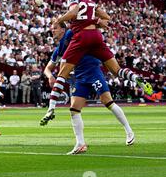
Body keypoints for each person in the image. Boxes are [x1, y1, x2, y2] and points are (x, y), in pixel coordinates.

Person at [43, 0, 152, 124]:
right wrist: (96, 22)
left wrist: (59, 19)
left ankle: (51, 108)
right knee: (116, 70)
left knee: (63, 73)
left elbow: (74, 12)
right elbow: (106, 18)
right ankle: (136, 79)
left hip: (82, 38)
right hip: (96, 36)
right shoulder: (89, 1)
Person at [43, 22, 135, 154]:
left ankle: (129, 131)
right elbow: (48, 68)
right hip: (79, 76)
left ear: (63, 29)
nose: (52, 31)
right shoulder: (60, 49)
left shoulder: (72, 33)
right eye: (52, 29)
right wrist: (50, 76)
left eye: (55, 28)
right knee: (74, 109)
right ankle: (80, 144)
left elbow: (89, 30)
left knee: (107, 101)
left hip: (92, 70)